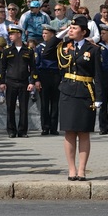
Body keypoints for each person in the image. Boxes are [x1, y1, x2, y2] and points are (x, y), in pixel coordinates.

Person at [43, 15, 103, 181]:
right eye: (70, 27)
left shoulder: (93, 49)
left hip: (85, 92)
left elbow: (99, 75)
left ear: (84, 32)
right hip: (68, 91)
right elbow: (46, 53)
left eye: (75, 28)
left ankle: (82, 169)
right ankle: (71, 169)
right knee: (69, 132)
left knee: (83, 132)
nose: (71, 29)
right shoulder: (63, 47)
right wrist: (60, 34)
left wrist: (99, 97)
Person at [0, 24, 38, 138]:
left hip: (24, 82)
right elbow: (2, 68)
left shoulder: (28, 51)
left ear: (19, 34)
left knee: (23, 108)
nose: (10, 36)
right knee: (10, 107)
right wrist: (2, 82)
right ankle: (11, 130)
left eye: (12, 34)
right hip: (10, 82)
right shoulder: (7, 51)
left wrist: (32, 82)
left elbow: (33, 68)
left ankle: (22, 131)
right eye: (9, 34)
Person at [34, 24, 61, 136]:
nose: (44, 35)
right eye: (43, 33)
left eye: (46, 33)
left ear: (52, 35)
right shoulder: (39, 47)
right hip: (44, 75)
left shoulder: (58, 47)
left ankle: (53, 127)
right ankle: (45, 127)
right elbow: (36, 64)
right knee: (44, 103)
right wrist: (37, 79)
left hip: (55, 75)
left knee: (55, 103)